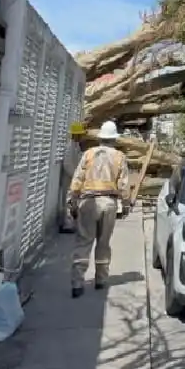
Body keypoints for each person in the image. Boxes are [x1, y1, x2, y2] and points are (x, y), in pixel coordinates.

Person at [68, 121, 132, 297]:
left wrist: (72, 201)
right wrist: (125, 205)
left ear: (101, 138)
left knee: (83, 242)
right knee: (103, 243)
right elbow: (124, 184)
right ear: (114, 139)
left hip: (88, 202)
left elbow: (77, 180)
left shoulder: (88, 154)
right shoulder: (119, 157)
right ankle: (101, 280)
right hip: (109, 203)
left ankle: (77, 283)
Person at [59, 121, 88, 233]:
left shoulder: (76, 146)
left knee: (73, 202)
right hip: (70, 179)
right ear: (75, 134)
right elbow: (67, 164)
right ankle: (67, 225)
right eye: (80, 134)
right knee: (68, 202)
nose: (81, 136)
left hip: (74, 179)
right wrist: (75, 175)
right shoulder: (70, 147)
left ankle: (71, 223)